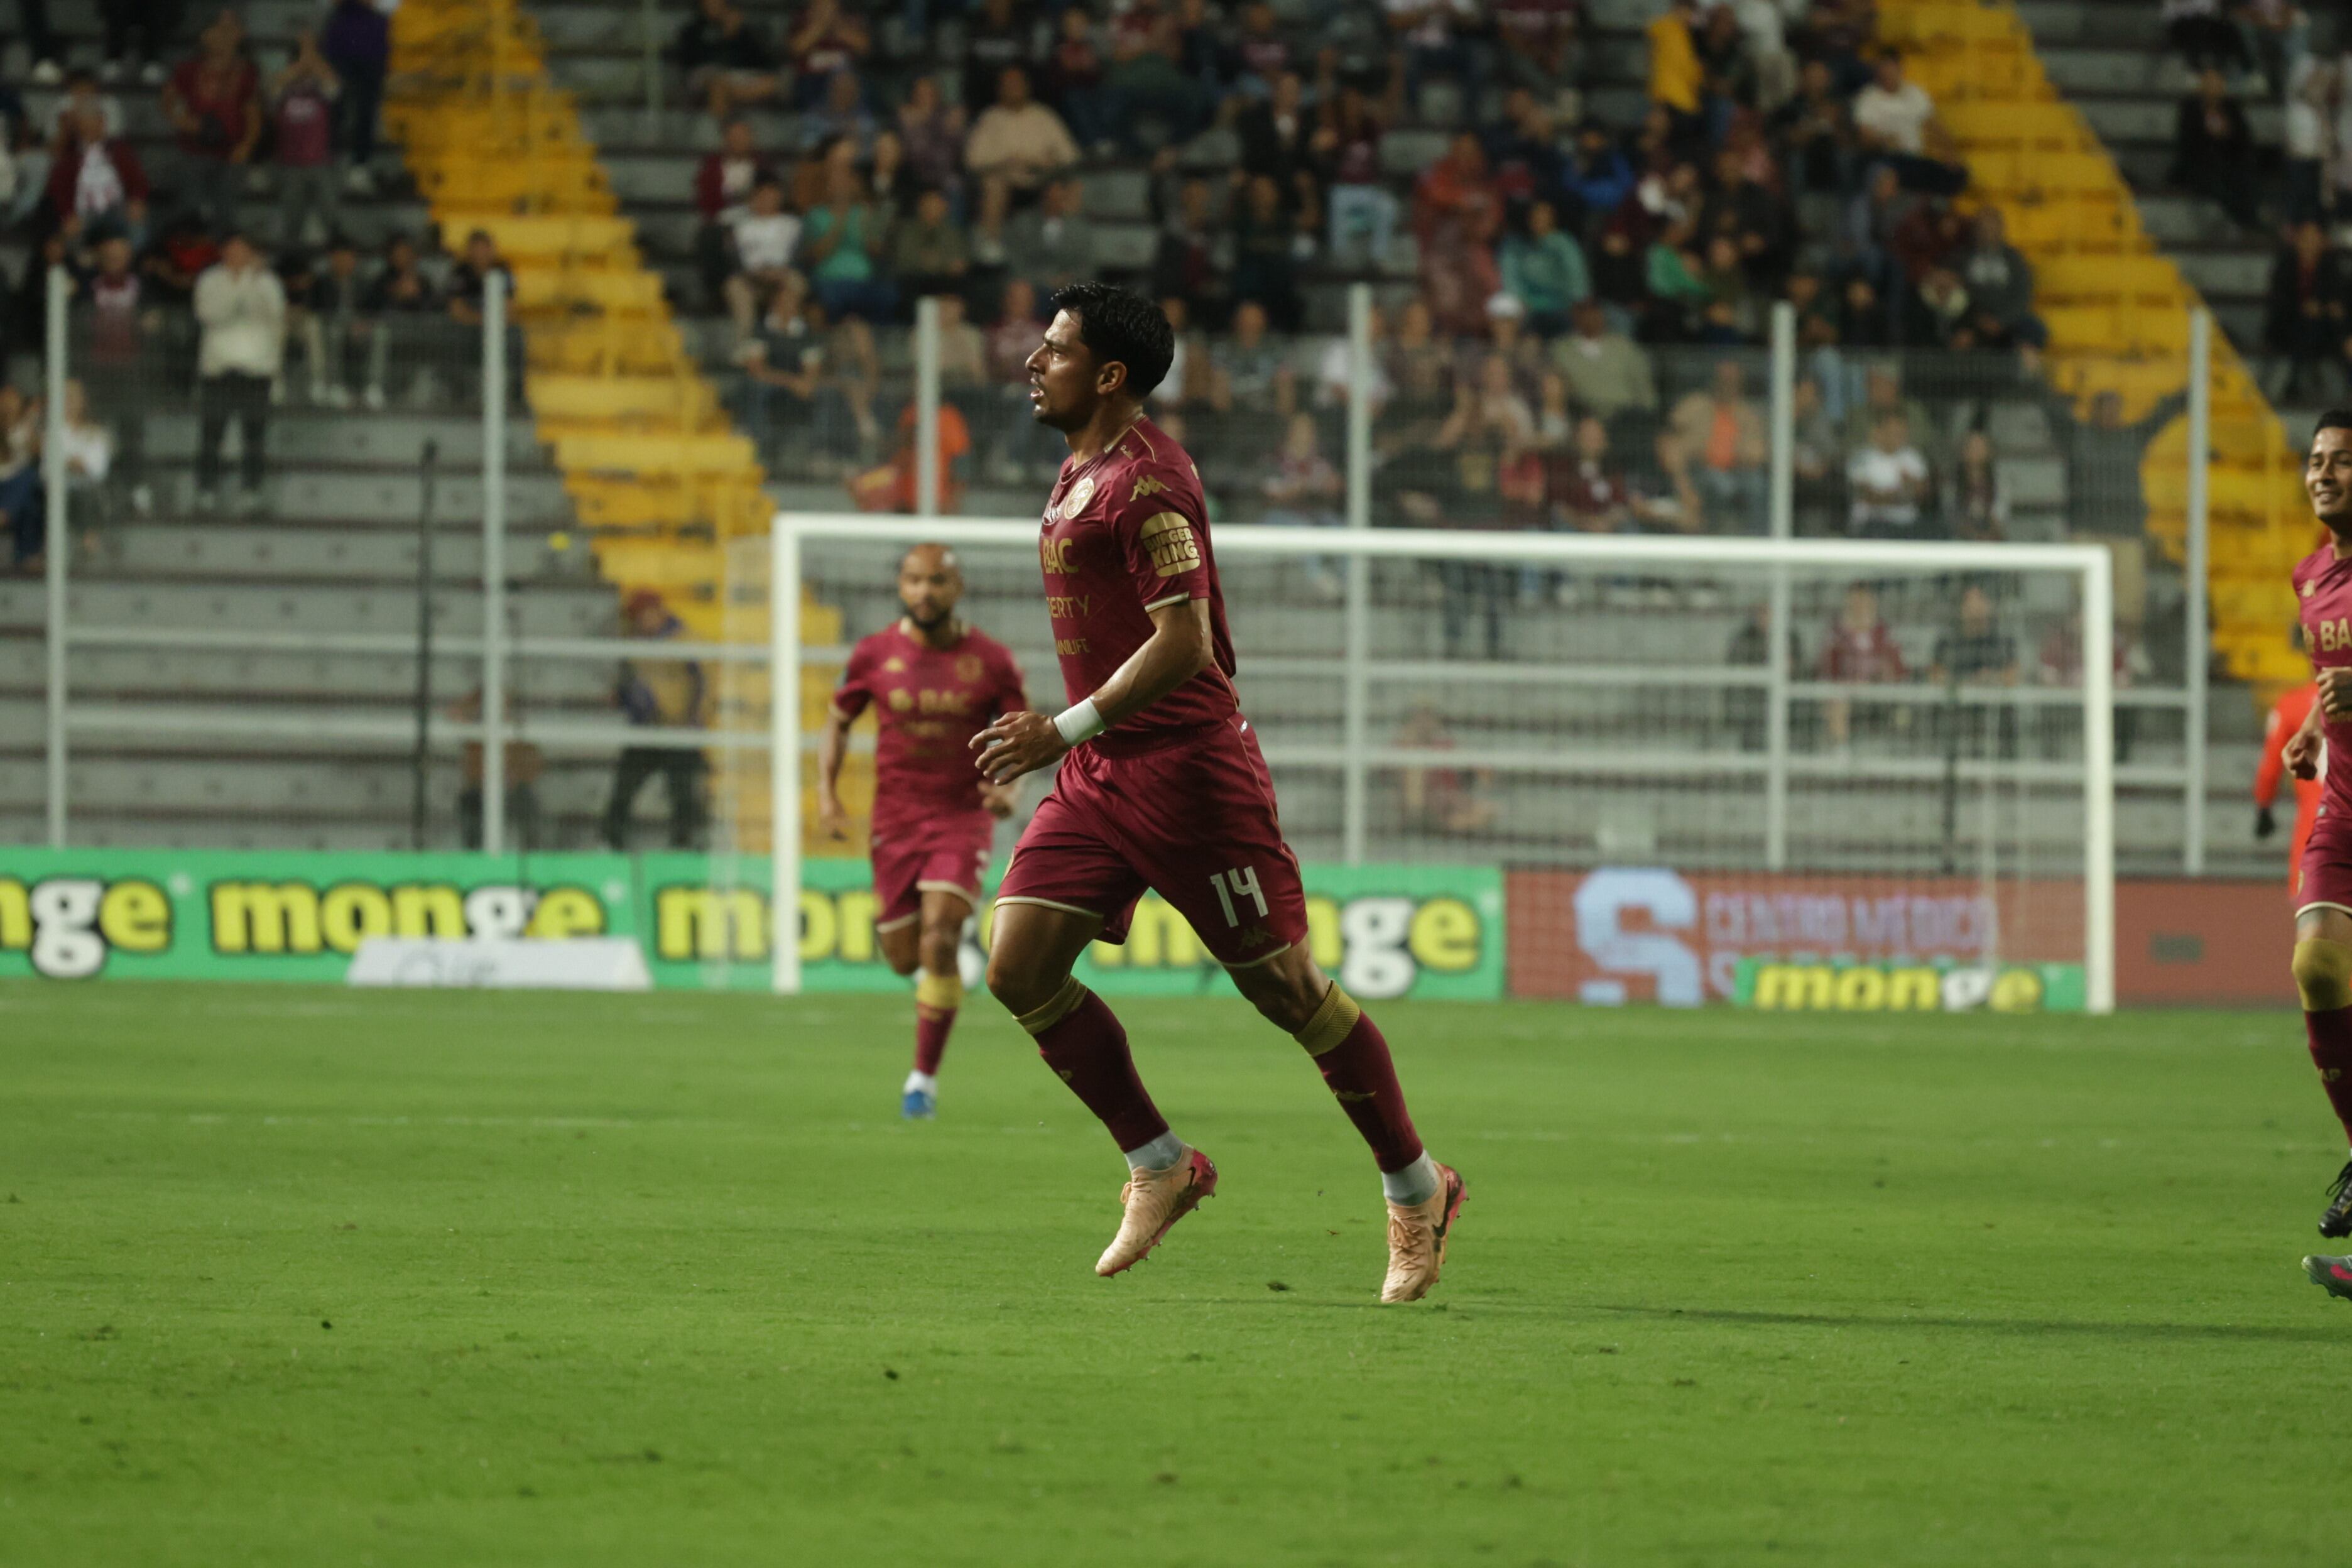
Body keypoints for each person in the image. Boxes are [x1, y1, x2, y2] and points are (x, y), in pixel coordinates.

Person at [969, 282, 1463, 1302]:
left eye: (1053, 349)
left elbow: (1184, 641)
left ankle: (1416, 1186)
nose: (1032, 361)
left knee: (1284, 992)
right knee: (1017, 966)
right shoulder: (1075, 469)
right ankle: (1159, 1163)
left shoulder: (1148, 484)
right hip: (1102, 775)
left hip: (1191, 775)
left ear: (1107, 375)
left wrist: (1057, 730)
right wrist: (1075, 746)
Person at [817, 545, 1026, 1121]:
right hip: (895, 820)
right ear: (901, 586)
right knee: (902, 957)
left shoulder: (991, 661)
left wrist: (1007, 792)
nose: (924, 591)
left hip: (962, 816)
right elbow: (837, 724)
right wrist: (827, 794)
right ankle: (936, 988)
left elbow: (1019, 737)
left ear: (956, 587)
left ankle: (922, 1081)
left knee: (940, 936)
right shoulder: (873, 654)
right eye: (914, 580)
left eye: (936, 581)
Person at [2268, 414, 2352, 1290]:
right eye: (2315, 461)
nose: (2323, 474)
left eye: (2341, 462)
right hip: (2347, 808)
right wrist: (2314, 730)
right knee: (2318, 966)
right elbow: (2336, 677)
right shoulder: (2312, 575)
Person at [603, 590, 708, 851]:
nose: (642, 621)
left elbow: (703, 683)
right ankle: (612, 843)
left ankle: (685, 850)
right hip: (648, 731)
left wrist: (694, 720)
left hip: (679, 732)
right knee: (624, 788)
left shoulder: (682, 640)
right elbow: (635, 690)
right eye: (637, 617)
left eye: (645, 615)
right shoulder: (636, 644)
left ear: (659, 612)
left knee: (683, 795)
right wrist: (623, 697)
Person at [192, 232, 285, 515]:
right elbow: (211, 314)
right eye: (232, 250)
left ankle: (251, 491)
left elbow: (275, 314)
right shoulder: (210, 280)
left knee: (254, 436)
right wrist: (243, 287)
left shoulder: (267, 282)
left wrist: (254, 282)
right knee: (211, 434)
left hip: (256, 371)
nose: (237, 256)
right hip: (219, 370)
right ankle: (206, 491)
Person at [163, 13, 261, 234]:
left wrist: (247, 144)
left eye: (231, 30)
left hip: (231, 151)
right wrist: (184, 121)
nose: (224, 36)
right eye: (220, 29)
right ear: (206, 36)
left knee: (225, 212)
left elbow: (253, 112)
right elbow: (169, 101)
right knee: (189, 208)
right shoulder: (188, 68)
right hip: (193, 148)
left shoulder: (247, 71)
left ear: (240, 35)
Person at [270, 32, 340, 248]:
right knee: (292, 221)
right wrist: (303, 61)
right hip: (290, 164)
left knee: (331, 218)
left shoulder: (321, 87)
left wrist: (311, 56)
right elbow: (274, 86)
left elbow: (333, 83)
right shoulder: (284, 87)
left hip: (321, 162)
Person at [2172, 67, 2262, 232]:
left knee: (2243, 176)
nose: (2213, 87)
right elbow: (2186, 142)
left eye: (2217, 83)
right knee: (2215, 180)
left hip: (2229, 161)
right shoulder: (2190, 108)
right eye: (2209, 83)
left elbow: (2244, 138)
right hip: (2201, 164)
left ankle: (2248, 223)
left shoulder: (2231, 107)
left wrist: (2227, 133)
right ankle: (2237, 221)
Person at [2257, 667, 2321, 897]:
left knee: (2313, 920)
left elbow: (2270, 766)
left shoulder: (2293, 704)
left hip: (2315, 829)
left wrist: (2264, 806)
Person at [1818, 581, 1906, 748]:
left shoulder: (1885, 633)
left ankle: (1893, 758)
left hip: (1880, 693)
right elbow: (1829, 670)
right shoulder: (1836, 633)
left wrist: (1884, 677)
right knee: (1836, 704)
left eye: (1864, 601)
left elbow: (1899, 670)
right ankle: (1840, 755)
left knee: (1902, 708)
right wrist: (1849, 683)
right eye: (1855, 602)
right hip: (1848, 694)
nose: (1860, 607)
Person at [321, 0, 389, 194]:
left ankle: (359, 167)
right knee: (335, 107)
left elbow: (384, 5)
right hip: (342, 42)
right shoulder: (338, 19)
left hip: (371, 46)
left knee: (365, 110)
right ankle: (329, 162)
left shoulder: (378, 21)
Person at [1846, 411, 1931, 538]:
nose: (1899, 436)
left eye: (1902, 432)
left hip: (1907, 524)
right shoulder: (1861, 457)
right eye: (1894, 432)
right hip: (1870, 524)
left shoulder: (1913, 457)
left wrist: (1910, 486)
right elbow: (1866, 494)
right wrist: (1903, 493)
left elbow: (1923, 493)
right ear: (1878, 432)